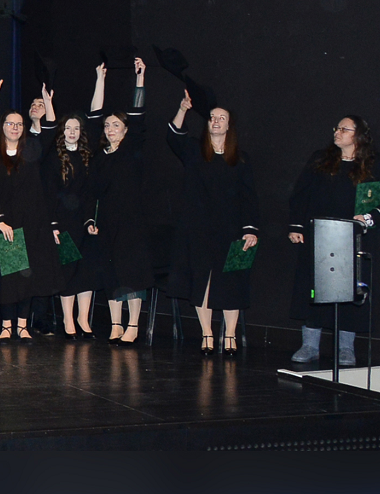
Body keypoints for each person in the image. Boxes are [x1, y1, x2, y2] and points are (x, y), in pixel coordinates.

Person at [166, 90, 260, 355]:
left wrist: (250, 229)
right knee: (203, 281)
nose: (216, 121)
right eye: (212, 117)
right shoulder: (194, 151)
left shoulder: (241, 159)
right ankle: (206, 333)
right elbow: (173, 136)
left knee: (232, 283)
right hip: (198, 229)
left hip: (233, 231)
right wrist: (183, 109)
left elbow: (249, 197)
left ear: (230, 125)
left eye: (222, 118)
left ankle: (229, 334)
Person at [288, 116, 380, 367]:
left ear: (359, 135)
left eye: (344, 129)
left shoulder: (375, 164)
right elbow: (301, 193)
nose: (337, 132)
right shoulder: (320, 159)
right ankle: (310, 345)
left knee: (349, 292)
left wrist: (369, 218)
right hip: (318, 236)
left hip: (353, 239)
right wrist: (296, 225)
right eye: (336, 128)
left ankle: (346, 349)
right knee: (314, 289)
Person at [87, 59, 155, 343]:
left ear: (126, 130)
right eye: (108, 125)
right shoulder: (100, 157)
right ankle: (116, 324)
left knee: (132, 273)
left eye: (116, 124)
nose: (110, 128)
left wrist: (140, 79)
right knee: (111, 272)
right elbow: (94, 116)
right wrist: (100, 79)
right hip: (107, 221)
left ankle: (133, 325)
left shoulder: (132, 150)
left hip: (131, 222)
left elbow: (138, 114)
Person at [0, 107, 58, 341]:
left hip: (31, 225)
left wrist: (47, 106)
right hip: (6, 225)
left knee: (26, 276)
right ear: (2, 127)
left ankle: (22, 325)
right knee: (8, 279)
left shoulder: (31, 152)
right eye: (11, 123)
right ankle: (6, 325)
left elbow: (49, 133)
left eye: (19, 124)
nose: (15, 128)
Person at [45, 111, 100, 339]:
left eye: (76, 128)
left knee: (85, 272)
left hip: (83, 222)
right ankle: (68, 319)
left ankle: (83, 320)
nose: (72, 132)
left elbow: (90, 194)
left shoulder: (88, 157)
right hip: (63, 222)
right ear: (61, 131)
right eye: (68, 128)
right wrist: (53, 224)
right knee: (67, 270)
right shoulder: (54, 158)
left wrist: (90, 220)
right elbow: (50, 193)